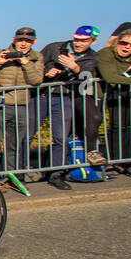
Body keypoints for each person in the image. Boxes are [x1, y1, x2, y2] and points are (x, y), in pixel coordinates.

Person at [39, 25, 103, 189]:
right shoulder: (55, 47)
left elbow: (86, 78)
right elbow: (37, 63)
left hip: (66, 96)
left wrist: (75, 67)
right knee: (27, 133)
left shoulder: (92, 56)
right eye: (76, 39)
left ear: (93, 41)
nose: (78, 43)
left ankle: (56, 173)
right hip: (42, 95)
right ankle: (19, 173)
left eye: (83, 40)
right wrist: (47, 71)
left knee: (61, 136)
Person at [0, 27, 44, 179]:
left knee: (15, 144)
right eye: (20, 40)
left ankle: (12, 175)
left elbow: (36, 80)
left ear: (34, 42)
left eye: (28, 41)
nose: (23, 44)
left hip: (21, 105)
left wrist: (25, 62)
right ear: (13, 40)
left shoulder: (36, 57)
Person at [97, 29, 131, 174]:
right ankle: (114, 160)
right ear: (117, 42)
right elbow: (111, 77)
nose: (127, 47)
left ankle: (127, 160)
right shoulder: (106, 53)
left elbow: (121, 75)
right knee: (114, 126)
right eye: (124, 43)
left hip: (124, 95)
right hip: (100, 95)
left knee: (129, 126)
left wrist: (129, 75)